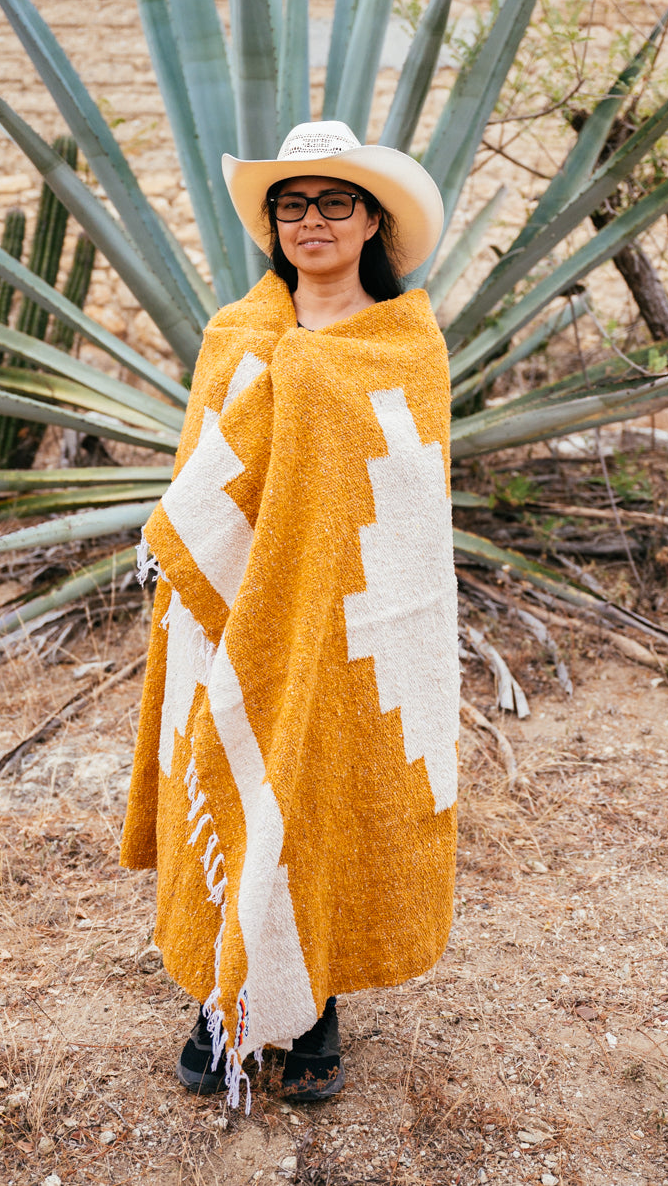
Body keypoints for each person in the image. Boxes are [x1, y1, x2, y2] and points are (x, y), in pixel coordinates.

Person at [120, 120, 461, 1109]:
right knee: (222, 789)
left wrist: (306, 386)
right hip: (224, 615)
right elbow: (200, 479)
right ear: (272, 226)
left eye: (333, 204)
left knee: (318, 797)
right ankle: (223, 994)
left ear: (371, 225)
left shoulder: (402, 351)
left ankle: (308, 997)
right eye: (291, 206)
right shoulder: (236, 335)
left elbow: (405, 505)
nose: (310, 222)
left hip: (352, 621)